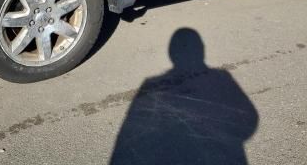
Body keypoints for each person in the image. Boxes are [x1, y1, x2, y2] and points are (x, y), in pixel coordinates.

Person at [110, 28, 259, 164]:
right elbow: (249, 118)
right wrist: (227, 138)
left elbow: (129, 134)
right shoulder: (222, 76)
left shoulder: (150, 84)